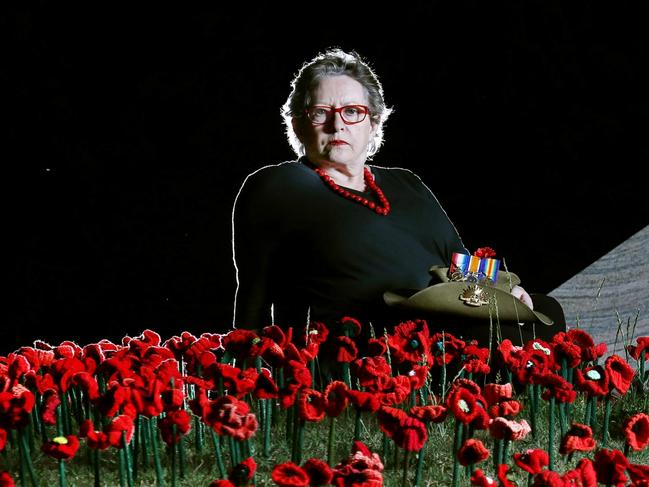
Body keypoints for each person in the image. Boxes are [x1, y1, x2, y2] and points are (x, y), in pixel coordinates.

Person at [231, 48, 563, 346]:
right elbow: (253, 297)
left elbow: (458, 260)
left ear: (373, 123)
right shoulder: (277, 184)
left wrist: (503, 291)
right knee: (503, 339)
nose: (337, 125)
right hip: (366, 344)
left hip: (446, 321)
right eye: (321, 112)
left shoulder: (406, 183)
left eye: (352, 112)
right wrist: (246, 370)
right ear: (299, 124)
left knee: (547, 309)